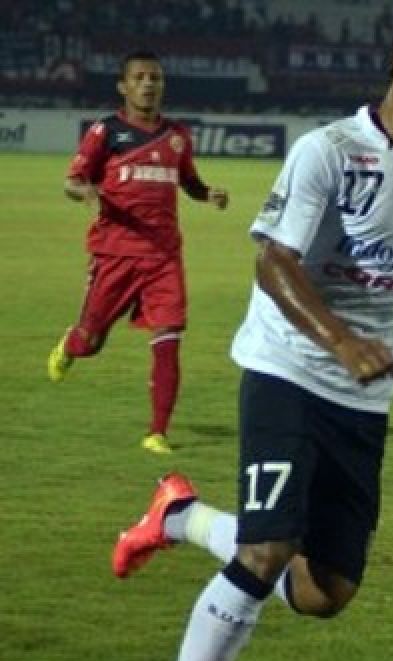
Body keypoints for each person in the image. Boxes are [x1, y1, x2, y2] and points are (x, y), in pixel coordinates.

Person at [108, 1, 393, 661]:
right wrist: (342, 340)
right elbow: (274, 261)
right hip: (288, 370)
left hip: (364, 399)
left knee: (327, 591)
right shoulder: (330, 151)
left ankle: (179, 515)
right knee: (269, 548)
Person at [47, 51, 230, 454]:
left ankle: (157, 432)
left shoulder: (177, 136)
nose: (149, 84)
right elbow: (72, 180)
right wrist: (89, 192)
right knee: (90, 342)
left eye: (156, 78)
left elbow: (189, 182)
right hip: (115, 254)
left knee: (169, 335)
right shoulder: (106, 132)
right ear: (123, 86)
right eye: (141, 77)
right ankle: (71, 344)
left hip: (164, 256)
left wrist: (208, 194)